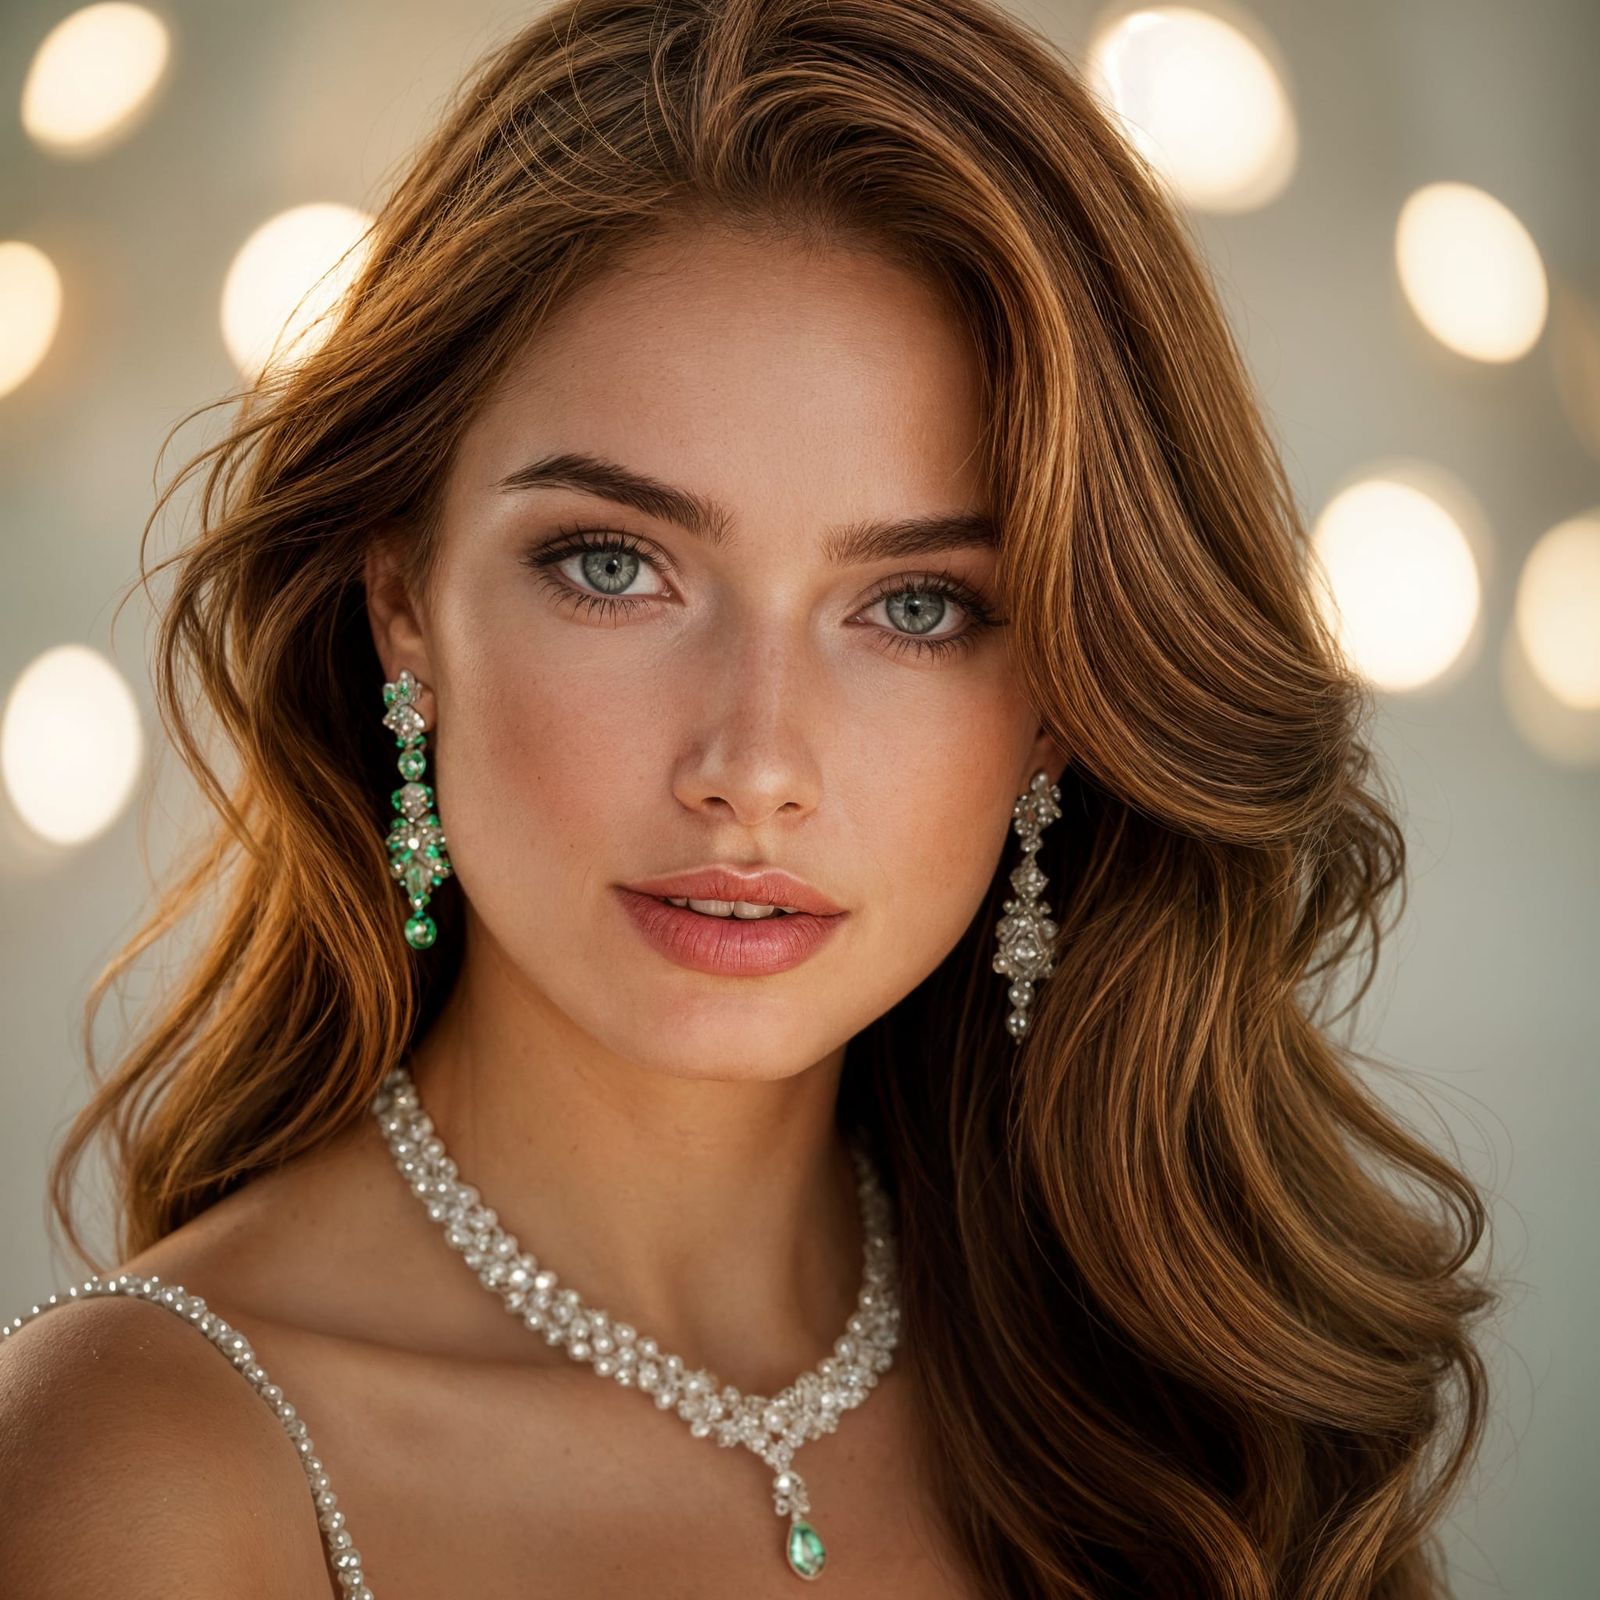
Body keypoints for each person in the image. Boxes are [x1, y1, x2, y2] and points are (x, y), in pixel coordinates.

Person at [0, 0, 1499, 1595]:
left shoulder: (1181, 1401)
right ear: (407, 606)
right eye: (614, 565)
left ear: (1063, 701)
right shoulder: (147, 1472)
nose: (754, 767)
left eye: (917, 605)